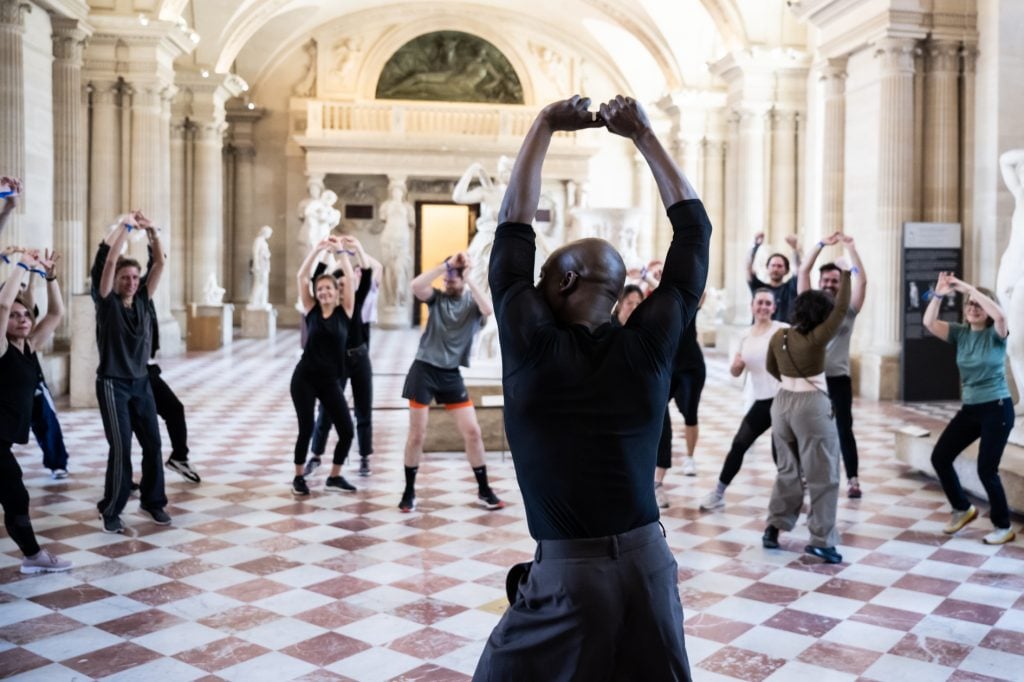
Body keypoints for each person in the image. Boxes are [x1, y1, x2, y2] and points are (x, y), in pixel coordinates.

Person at [475, 95, 709, 680]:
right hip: (650, 566)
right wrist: (646, 137)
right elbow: (694, 233)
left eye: (545, 280)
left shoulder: (533, 347)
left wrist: (544, 125)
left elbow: (510, 234)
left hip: (569, 577)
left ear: (567, 280)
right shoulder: (650, 345)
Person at [399, 251, 502, 513]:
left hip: (450, 375)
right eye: (448, 276)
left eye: (455, 276)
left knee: (473, 432)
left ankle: (484, 489)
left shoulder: (472, 306)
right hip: (423, 370)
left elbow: (489, 310)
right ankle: (409, 491)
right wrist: (444, 266)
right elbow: (416, 286)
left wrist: (469, 278)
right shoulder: (437, 299)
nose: (449, 279)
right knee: (417, 435)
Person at [762, 267, 851, 564]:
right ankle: (822, 541)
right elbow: (841, 309)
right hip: (810, 406)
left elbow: (771, 368)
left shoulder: (780, 335)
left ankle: (773, 529)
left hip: (781, 403)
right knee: (823, 474)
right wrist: (847, 273)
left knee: (788, 471)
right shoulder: (817, 338)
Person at [92, 212, 171, 533]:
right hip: (113, 384)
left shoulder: (142, 300)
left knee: (152, 444)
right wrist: (124, 229)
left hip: (141, 383)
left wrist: (152, 230)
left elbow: (160, 264)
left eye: (135, 277)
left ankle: (153, 502)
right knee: (121, 447)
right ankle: (111, 508)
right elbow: (109, 264)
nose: (131, 282)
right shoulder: (107, 302)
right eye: (126, 277)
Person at [923, 272, 1016, 545]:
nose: (973, 308)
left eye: (979, 304)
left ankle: (1003, 526)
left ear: (986, 308)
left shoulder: (997, 334)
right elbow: (929, 322)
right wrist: (940, 292)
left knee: (987, 469)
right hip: (971, 409)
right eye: (969, 304)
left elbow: (1000, 316)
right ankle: (962, 509)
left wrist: (965, 287)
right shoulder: (961, 333)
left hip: (997, 408)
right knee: (940, 457)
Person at [0, 247, 72, 573]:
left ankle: (32, 555)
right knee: (16, 495)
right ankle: (32, 556)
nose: (23, 319)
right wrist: (20, 265)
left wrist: (50, 276)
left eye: (26, 314)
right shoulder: (0, 346)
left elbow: (57, 314)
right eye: (15, 316)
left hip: (3, 439)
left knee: (14, 494)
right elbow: (3, 303)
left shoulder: (29, 346)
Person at [700, 290, 785, 511]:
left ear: (774, 308)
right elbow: (736, 371)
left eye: (768, 303)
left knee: (781, 454)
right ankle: (718, 493)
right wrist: (737, 367)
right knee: (739, 444)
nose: (764, 307)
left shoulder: (783, 330)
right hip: (762, 401)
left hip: (783, 400)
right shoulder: (744, 335)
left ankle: (790, 499)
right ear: (752, 306)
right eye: (760, 303)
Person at [798, 232, 867, 498]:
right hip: (811, 378)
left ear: (840, 284)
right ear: (819, 282)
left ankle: (853, 479)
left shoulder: (849, 308)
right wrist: (820, 245)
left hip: (838, 378)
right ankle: (805, 474)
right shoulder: (809, 306)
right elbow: (803, 269)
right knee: (808, 428)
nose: (829, 284)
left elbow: (863, 280)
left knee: (843, 429)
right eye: (825, 280)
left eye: (834, 281)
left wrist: (851, 249)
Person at [307, 235, 381, 478]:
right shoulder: (325, 309)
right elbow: (315, 278)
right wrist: (326, 252)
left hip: (360, 359)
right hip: (335, 363)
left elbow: (368, 273)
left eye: (343, 286)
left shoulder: (355, 301)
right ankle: (316, 455)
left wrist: (357, 247)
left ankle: (364, 458)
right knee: (326, 411)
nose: (340, 289)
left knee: (363, 410)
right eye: (335, 286)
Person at [291, 236, 357, 496]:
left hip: (330, 380)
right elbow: (300, 277)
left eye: (329, 288)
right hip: (304, 378)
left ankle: (335, 475)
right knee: (306, 428)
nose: (324, 292)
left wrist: (341, 252)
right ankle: (298, 477)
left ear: (336, 292)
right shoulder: (312, 310)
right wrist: (316, 250)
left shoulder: (345, 312)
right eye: (320, 290)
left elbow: (350, 280)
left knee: (347, 431)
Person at [747, 231, 801, 322]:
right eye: (773, 265)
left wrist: (795, 249)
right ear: (767, 268)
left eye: (779, 266)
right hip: (761, 334)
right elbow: (747, 269)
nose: (775, 269)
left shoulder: (791, 287)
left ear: (787, 270)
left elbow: (799, 270)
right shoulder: (759, 288)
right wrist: (755, 246)